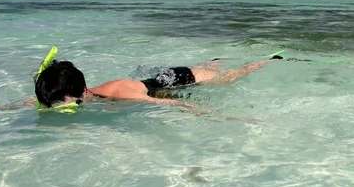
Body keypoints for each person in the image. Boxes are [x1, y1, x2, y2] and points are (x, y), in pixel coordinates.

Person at [34, 54, 283, 110]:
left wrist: (210, 114)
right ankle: (213, 61)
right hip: (160, 78)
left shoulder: (120, 92)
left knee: (232, 77)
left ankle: (269, 59)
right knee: (209, 68)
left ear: (82, 92)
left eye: (70, 106)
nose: (66, 108)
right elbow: (43, 102)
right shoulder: (76, 93)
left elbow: (174, 105)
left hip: (181, 79)